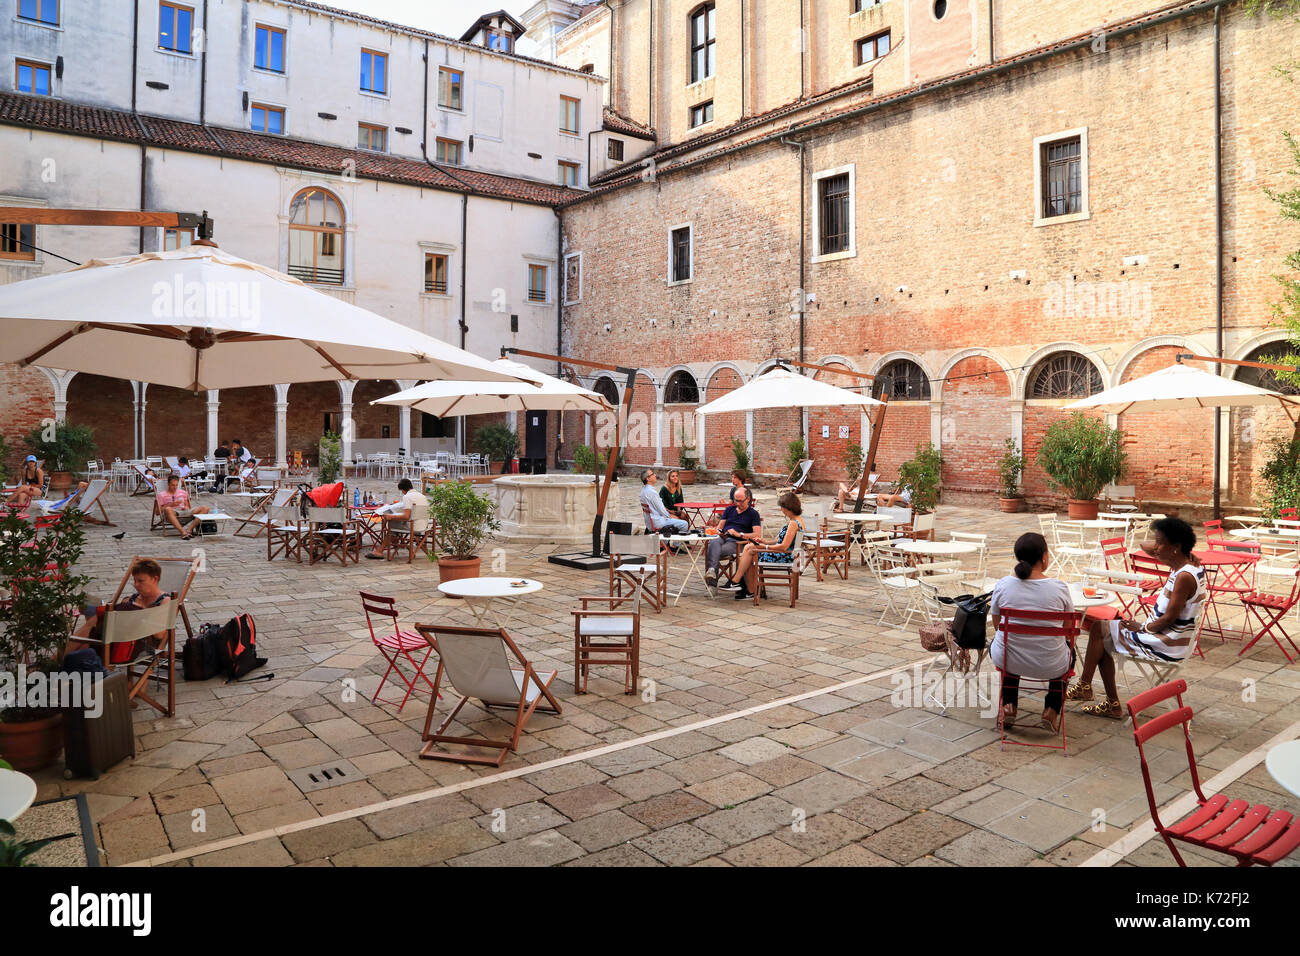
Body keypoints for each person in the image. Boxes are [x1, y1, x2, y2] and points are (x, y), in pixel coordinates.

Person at [1067, 517, 1206, 719]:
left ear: (1176, 547)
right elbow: (1144, 545)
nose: (1155, 547)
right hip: (1170, 637)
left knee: (1099, 630)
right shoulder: (1189, 566)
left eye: (1160, 542)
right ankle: (1104, 699)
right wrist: (1179, 548)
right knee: (1104, 634)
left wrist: (1142, 628)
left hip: (1166, 643)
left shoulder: (1184, 576)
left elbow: (1168, 618)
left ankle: (1086, 687)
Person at [989, 532, 1076, 733]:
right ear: (1044, 557)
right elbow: (1068, 630)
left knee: (1010, 643)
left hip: (1008, 660)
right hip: (1051, 664)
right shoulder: (1059, 588)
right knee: (1069, 651)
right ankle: (1052, 710)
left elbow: (996, 624)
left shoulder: (1003, 585)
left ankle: (1008, 706)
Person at [64, 559, 173, 670]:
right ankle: (63, 665)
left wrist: (138, 615)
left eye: (140, 581)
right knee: (92, 629)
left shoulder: (164, 601)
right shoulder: (132, 598)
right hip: (115, 640)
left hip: (139, 645)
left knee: (89, 644)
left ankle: (60, 663)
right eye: (134, 580)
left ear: (155, 579)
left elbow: (160, 634)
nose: (136, 585)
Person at [728, 492, 806, 601]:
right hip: (785, 554)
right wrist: (765, 541)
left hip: (784, 556)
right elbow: (779, 540)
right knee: (749, 549)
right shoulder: (797, 520)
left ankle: (739, 584)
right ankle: (743, 586)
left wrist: (764, 547)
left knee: (750, 550)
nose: (781, 510)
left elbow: (783, 546)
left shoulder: (793, 523)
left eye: (782, 507)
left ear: (788, 507)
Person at [705, 486, 762, 587]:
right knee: (714, 541)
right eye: (736, 500)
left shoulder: (753, 514)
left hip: (737, 542)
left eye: (740, 501)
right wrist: (718, 531)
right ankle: (712, 571)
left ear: (748, 499)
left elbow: (757, 534)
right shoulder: (729, 509)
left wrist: (738, 534)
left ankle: (712, 582)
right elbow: (719, 527)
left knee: (713, 550)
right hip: (723, 537)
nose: (738, 503)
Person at [366, 478, 429, 559]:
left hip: (413, 527)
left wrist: (391, 516)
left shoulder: (407, 497)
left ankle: (380, 551)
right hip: (423, 526)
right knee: (395, 523)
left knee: (391, 525)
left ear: (402, 490)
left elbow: (406, 516)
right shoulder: (423, 496)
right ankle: (400, 546)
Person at [157, 474, 210, 539]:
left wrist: (186, 507)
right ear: (168, 484)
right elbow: (157, 512)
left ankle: (189, 529)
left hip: (184, 512)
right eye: (172, 485)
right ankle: (183, 532)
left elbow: (188, 507)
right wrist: (171, 504)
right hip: (172, 513)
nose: (175, 487)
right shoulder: (161, 495)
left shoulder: (183, 492)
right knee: (168, 509)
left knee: (205, 508)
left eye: (176, 485)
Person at [639, 469, 689, 537]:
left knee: (682, 517)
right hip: (658, 521)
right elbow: (662, 510)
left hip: (651, 521)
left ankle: (666, 544)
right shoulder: (652, 492)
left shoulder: (644, 491)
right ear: (648, 478)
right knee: (684, 524)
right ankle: (675, 546)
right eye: (653, 474)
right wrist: (671, 516)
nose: (655, 475)